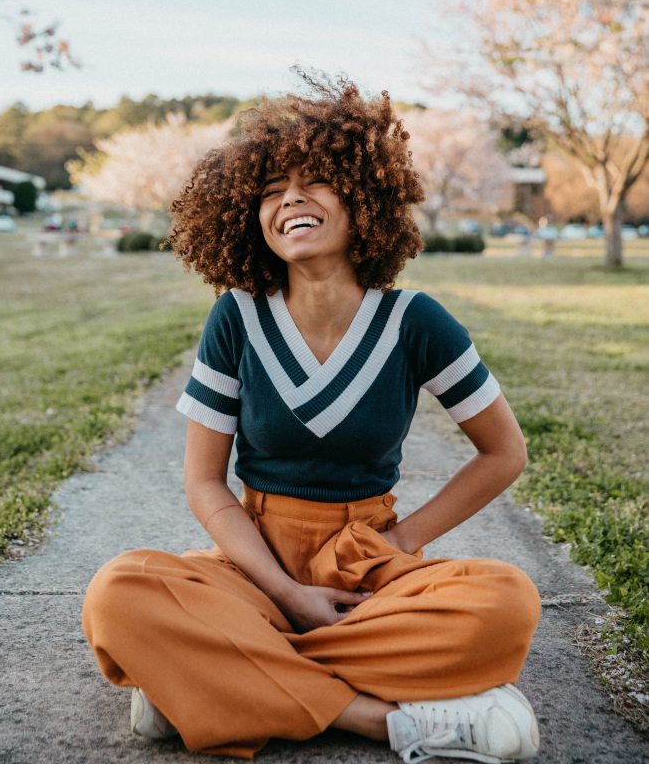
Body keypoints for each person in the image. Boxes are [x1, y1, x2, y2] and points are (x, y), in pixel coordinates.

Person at [82, 73, 542, 762]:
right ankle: (381, 720)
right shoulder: (235, 317)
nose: (289, 198)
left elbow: (503, 453)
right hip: (255, 563)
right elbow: (205, 485)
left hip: (367, 561)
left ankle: (211, 681)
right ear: (248, 216)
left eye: (314, 181)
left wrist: (401, 542)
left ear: (363, 197)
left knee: (504, 602)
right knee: (119, 592)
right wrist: (287, 593)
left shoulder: (414, 321)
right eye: (269, 192)